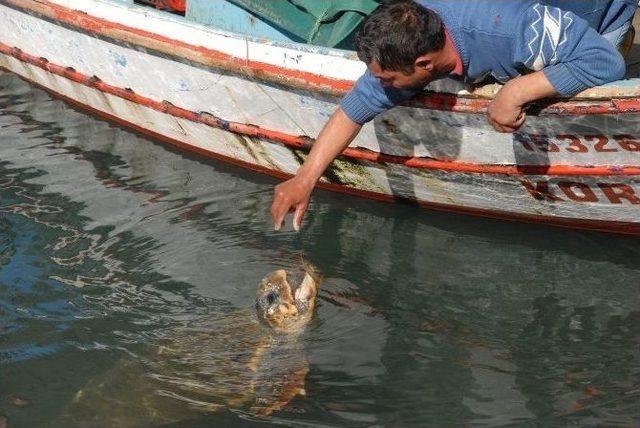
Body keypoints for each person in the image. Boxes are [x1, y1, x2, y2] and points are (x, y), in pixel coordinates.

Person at [270, 0, 638, 231]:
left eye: (387, 79)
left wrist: (516, 91)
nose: (380, 84)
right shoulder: (411, 36)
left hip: (595, 14)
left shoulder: (513, 30)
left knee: (587, 60)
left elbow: (605, 63)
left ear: (424, 63)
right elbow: (353, 110)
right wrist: (304, 178)